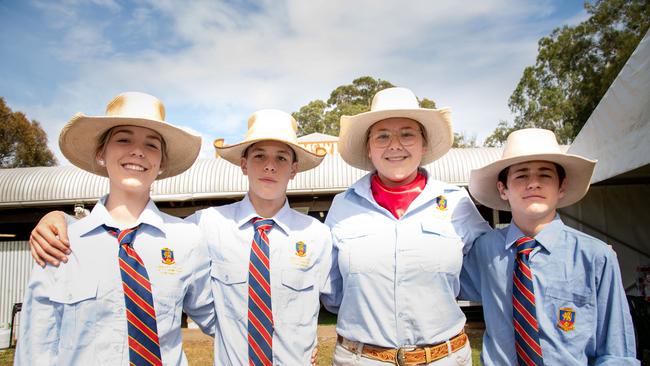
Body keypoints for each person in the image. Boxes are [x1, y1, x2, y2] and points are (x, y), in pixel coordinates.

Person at [28, 109, 332, 365]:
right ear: (243, 163)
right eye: (259, 155)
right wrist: (61, 219)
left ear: (294, 168)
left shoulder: (318, 235)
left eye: (281, 157)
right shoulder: (203, 226)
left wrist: (299, 345)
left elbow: (337, 297)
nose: (269, 165)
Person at [15, 92, 216, 365]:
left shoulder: (188, 240)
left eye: (152, 144)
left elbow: (224, 321)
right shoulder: (60, 242)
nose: (138, 151)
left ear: (162, 163)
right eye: (123, 139)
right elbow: (36, 347)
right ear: (101, 153)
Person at [323, 87, 491, 366]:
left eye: (407, 133)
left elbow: (485, 275)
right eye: (383, 136)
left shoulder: (457, 202)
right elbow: (333, 290)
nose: (395, 145)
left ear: (424, 145)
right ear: (369, 147)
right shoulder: (342, 205)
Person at [459, 128, 638, 365]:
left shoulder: (595, 257)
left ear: (561, 187)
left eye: (545, 175)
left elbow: (617, 352)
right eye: (521, 175)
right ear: (503, 189)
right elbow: (435, 283)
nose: (533, 183)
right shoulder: (483, 251)